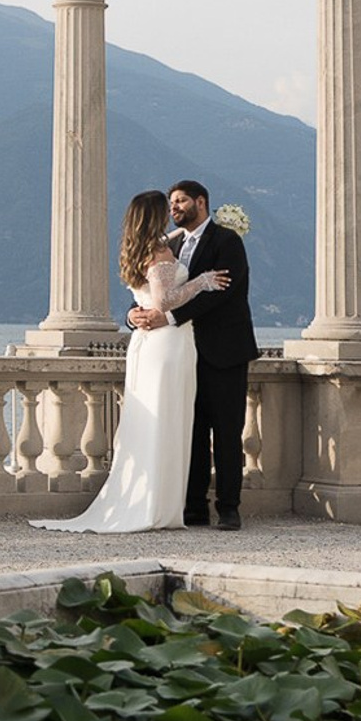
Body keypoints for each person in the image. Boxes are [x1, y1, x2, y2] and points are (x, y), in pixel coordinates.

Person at [34, 191, 230, 536]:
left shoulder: (140, 246)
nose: (172, 212)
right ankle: (159, 507)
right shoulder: (159, 251)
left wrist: (213, 226)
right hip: (168, 344)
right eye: (165, 208)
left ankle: (155, 502)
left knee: (152, 421)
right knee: (168, 421)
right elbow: (164, 300)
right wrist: (202, 281)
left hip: (146, 344)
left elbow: (155, 282)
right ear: (155, 215)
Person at [127, 178, 258, 529]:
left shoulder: (227, 241)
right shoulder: (169, 243)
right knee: (191, 430)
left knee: (227, 432)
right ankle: (193, 505)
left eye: (181, 201)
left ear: (201, 202)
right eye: (171, 203)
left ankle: (229, 507)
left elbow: (222, 294)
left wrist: (168, 317)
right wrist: (132, 315)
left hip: (224, 351)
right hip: (181, 353)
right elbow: (154, 290)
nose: (174, 208)